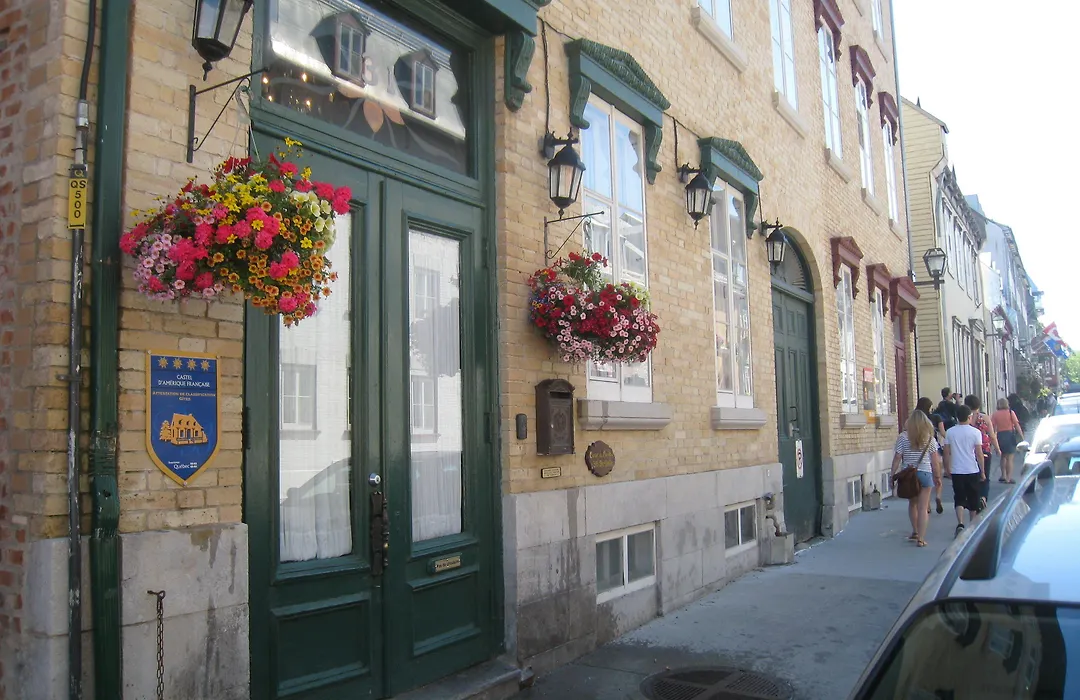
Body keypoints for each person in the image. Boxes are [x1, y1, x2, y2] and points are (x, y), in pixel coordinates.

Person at [891, 410, 942, 547]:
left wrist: (892, 474)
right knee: (923, 507)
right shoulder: (930, 438)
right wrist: (937, 476)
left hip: (909, 475)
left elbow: (897, 457)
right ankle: (921, 538)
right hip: (925, 473)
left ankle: (915, 531)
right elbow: (935, 460)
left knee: (912, 504)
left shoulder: (903, 437)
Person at [944, 404, 987, 537]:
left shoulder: (950, 432)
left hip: (957, 469)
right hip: (971, 468)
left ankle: (960, 523)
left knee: (959, 497)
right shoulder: (975, 432)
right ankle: (972, 524)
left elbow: (946, 453)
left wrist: (947, 468)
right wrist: (982, 471)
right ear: (969, 417)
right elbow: (979, 453)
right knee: (973, 497)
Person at [965, 394, 998, 510]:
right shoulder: (985, 418)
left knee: (973, 477)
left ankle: (974, 498)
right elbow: (992, 435)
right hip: (984, 450)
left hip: (970, 451)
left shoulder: (966, 419)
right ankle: (983, 498)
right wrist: (997, 449)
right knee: (985, 477)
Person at [915, 396, 945, 515]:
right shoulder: (936, 417)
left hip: (919, 450)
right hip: (934, 447)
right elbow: (943, 432)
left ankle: (927, 505)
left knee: (925, 481)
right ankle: (938, 496)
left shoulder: (915, 419)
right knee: (937, 476)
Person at [992, 397, 1023, 484]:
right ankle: (1008, 478)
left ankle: (1003, 475)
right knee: (1010, 458)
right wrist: (1021, 435)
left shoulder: (995, 414)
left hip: (1000, 435)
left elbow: (993, 427)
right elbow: (1016, 425)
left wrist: (992, 439)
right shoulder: (1010, 412)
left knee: (1003, 456)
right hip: (1009, 435)